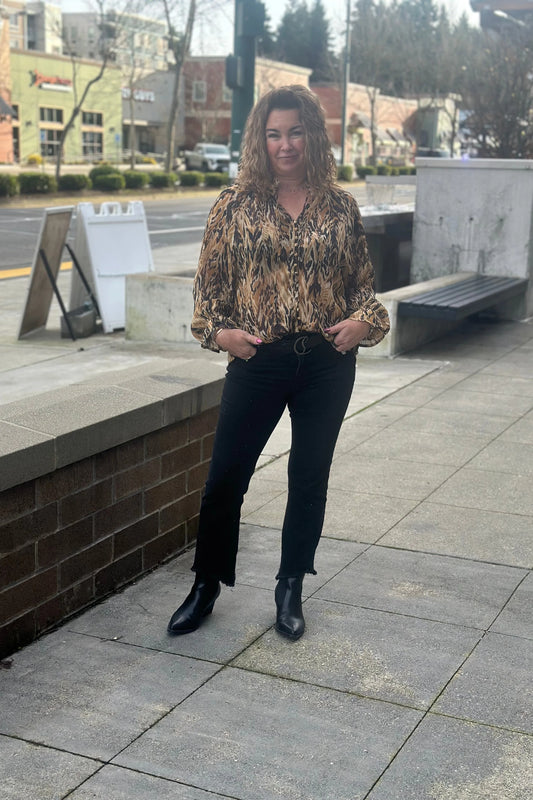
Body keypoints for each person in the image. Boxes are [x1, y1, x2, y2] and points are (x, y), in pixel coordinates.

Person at [167, 85, 389, 641]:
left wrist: (362, 324)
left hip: (326, 364)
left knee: (308, 479)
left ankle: (290, 587)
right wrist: (222, 334)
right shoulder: (233, 205)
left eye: (294, 132)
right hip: (258, 360)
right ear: (259, 140)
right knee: (225, 480)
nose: (285, 144)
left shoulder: (340, 206)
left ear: (312, 135)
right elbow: (207, 295)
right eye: (273, 134)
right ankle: (205, 585)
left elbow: (363, 290)